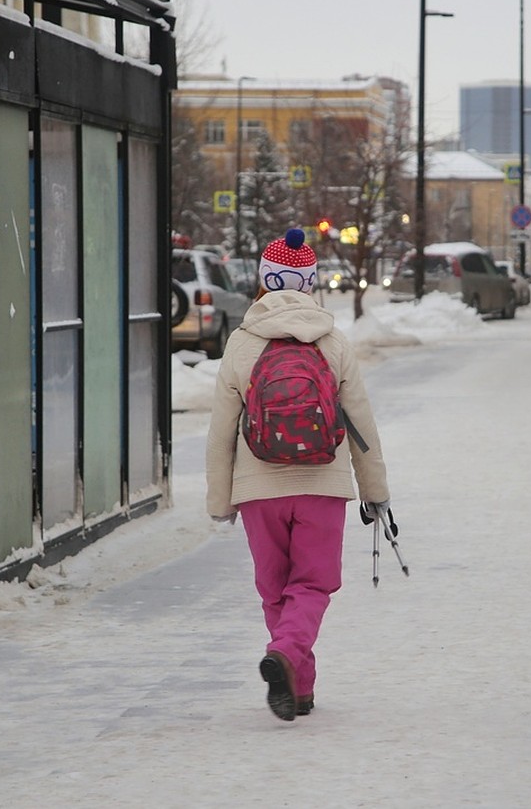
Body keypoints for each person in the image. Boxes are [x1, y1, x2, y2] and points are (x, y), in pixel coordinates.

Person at [206, 228, 391, 722]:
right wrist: (375, 492)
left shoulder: (242, 345)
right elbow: (361, 428)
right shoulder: (333, 344)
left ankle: (297, 685)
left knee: (275, 589)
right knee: (310, 585)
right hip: (323, 487)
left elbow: (221, 432)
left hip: (257, 489)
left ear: (264, 283)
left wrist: (220, 500)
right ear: (309, 284)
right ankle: (289, 660)